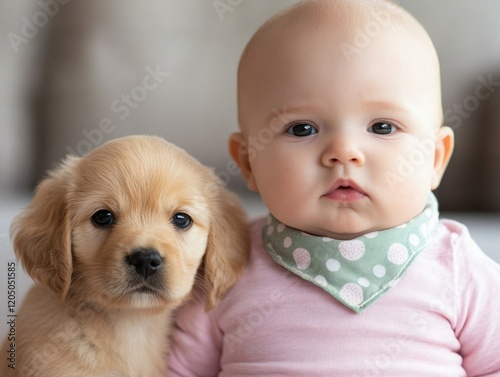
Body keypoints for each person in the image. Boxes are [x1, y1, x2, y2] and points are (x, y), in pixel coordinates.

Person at [167, 1, 500, 375]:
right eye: (302, 129)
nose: (344, 152)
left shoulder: (457, 268)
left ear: (436, 158)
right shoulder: (230, 263)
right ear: (248, 162)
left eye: (383, 127)